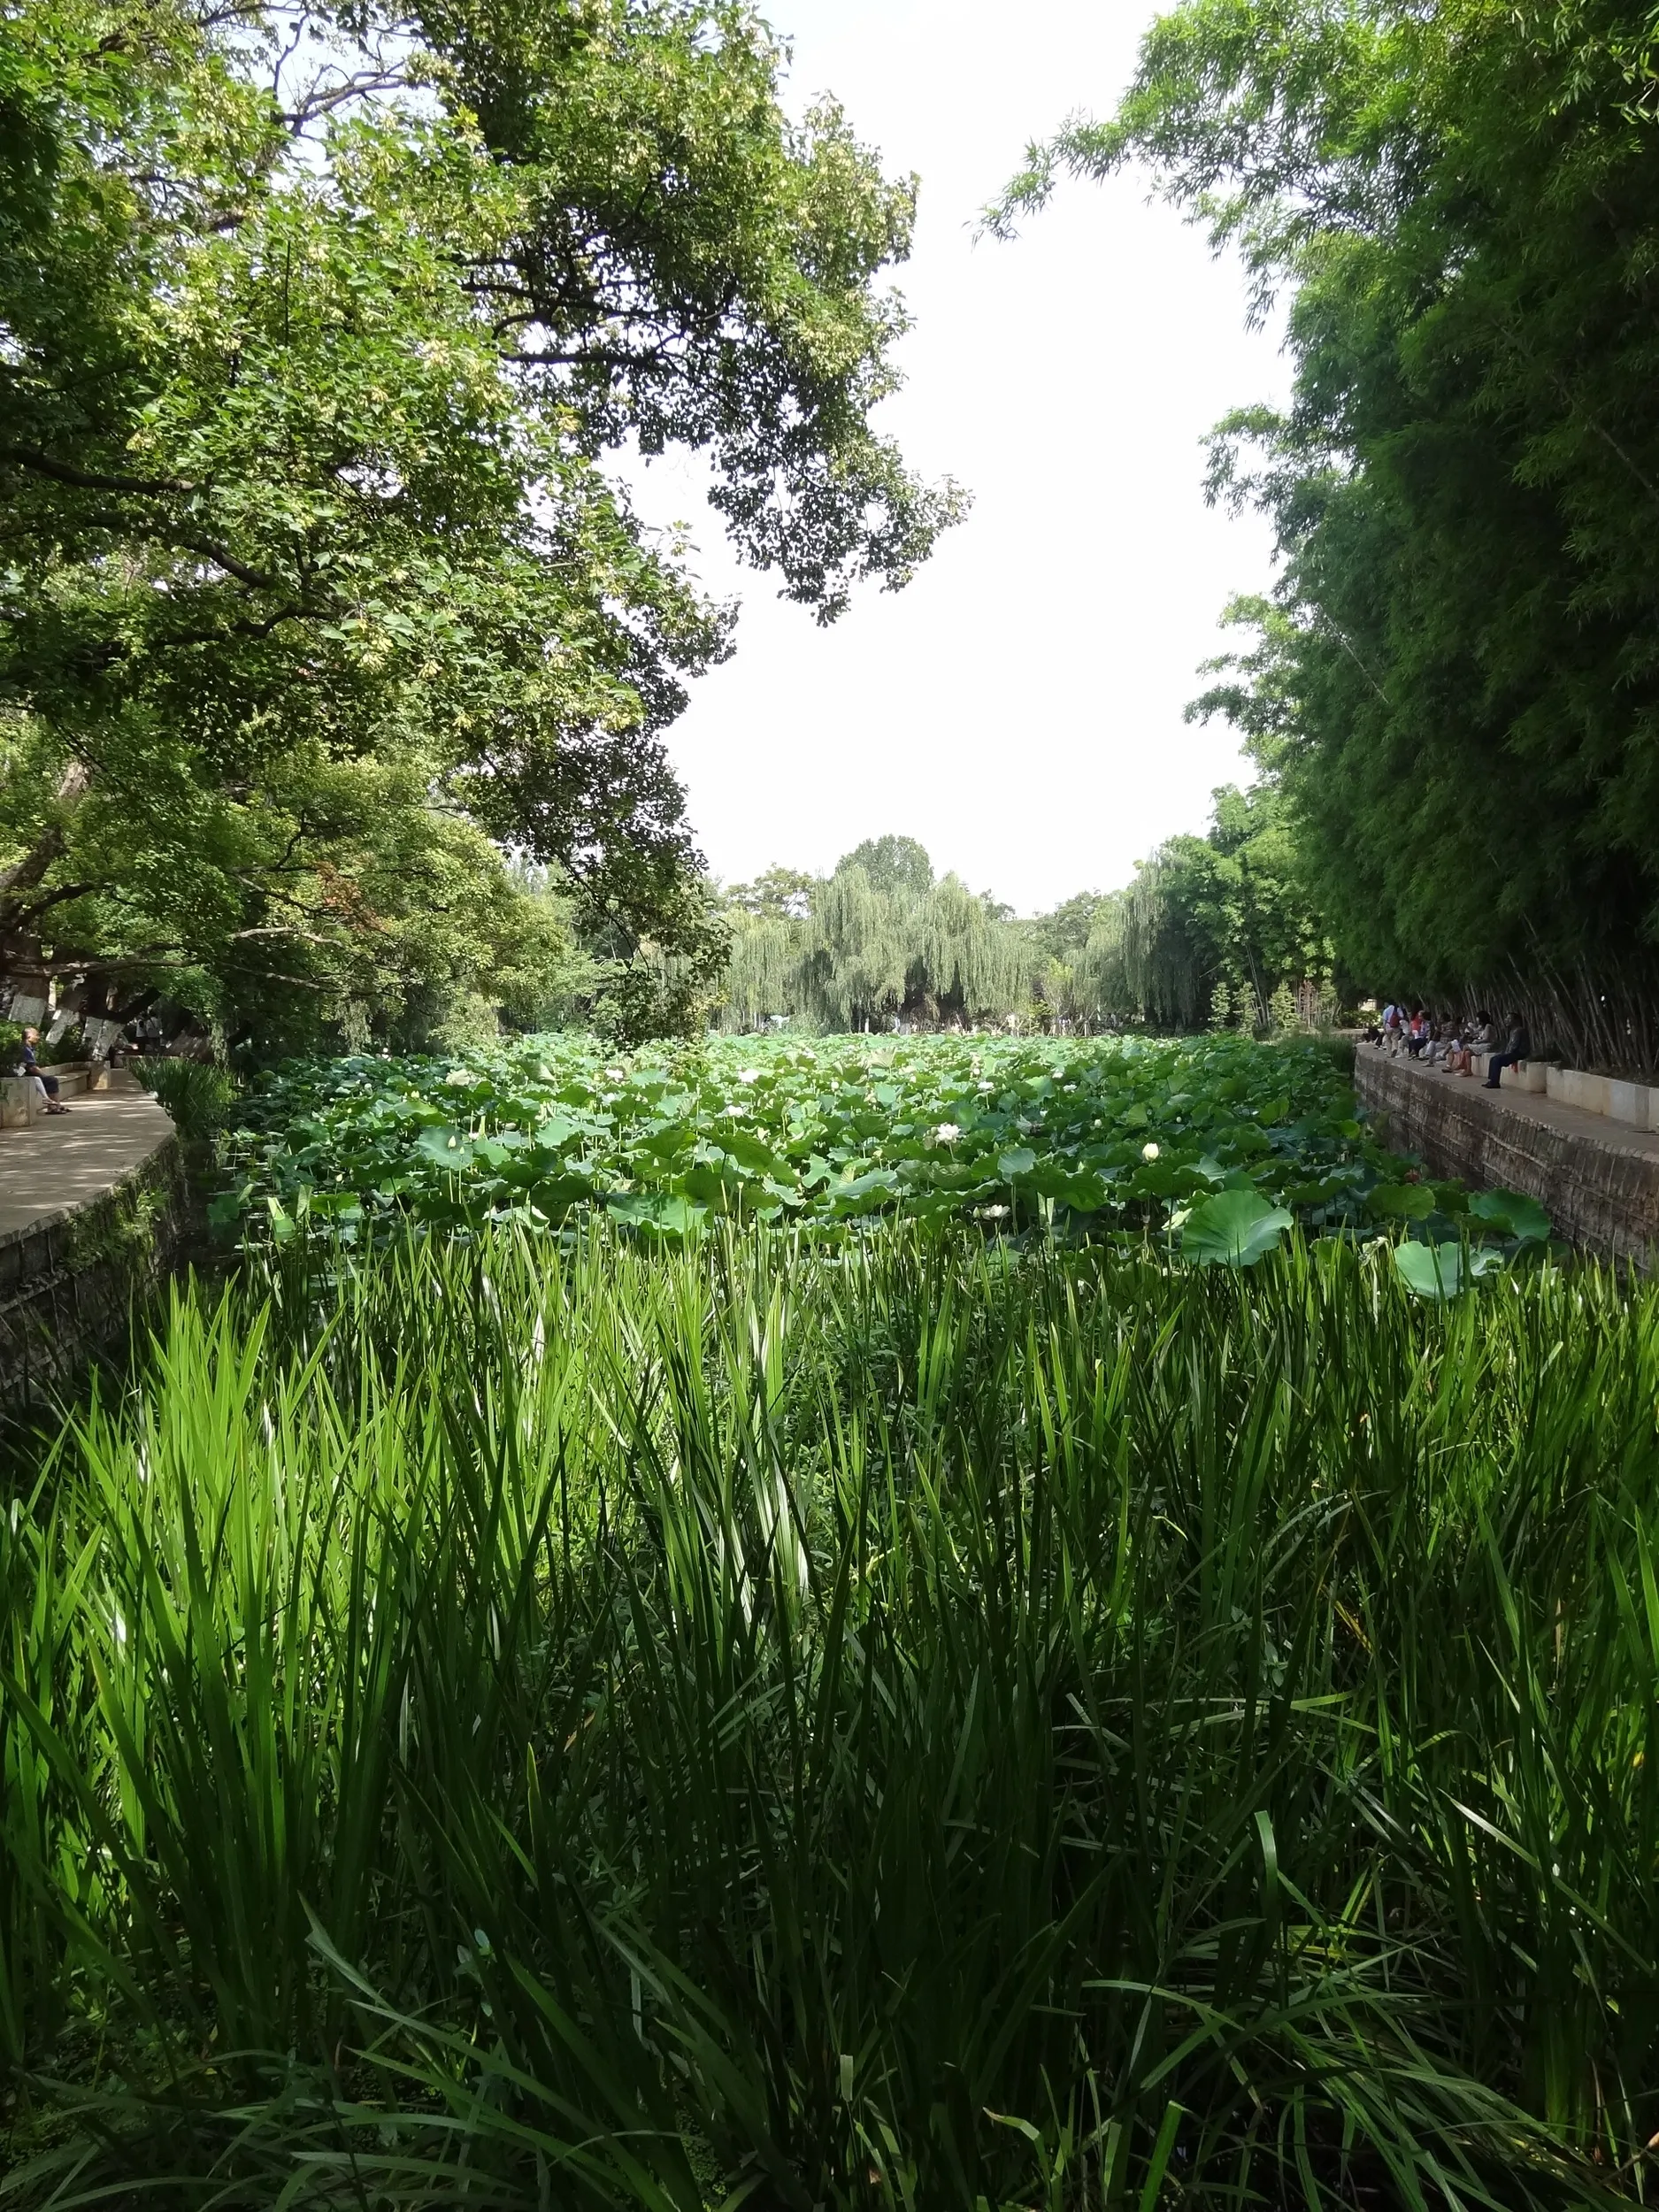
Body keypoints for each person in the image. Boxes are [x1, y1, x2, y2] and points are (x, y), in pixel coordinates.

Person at [17, 1025, 70, 1114]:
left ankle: (56, 1106)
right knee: (51, 1080)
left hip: (27, 1074)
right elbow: (32, 1068)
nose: (38, 1037)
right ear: (29, 1036)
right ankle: (53, 1107)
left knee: (51, 1080)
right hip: (25, 1075)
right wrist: (44, 1075)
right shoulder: (25, 1049)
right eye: (36, 1035)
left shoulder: (29, 1048)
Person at [1482, 1017, 1531, 1089]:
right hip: (1513, 1052)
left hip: (1519, 1053)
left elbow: (1514, 1045)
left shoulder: (1519, 1030)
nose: (1506, 1021)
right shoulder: (1512, 1031)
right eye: (1506, 1019)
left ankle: (1494, 1082)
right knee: (1493, 1059)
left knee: (1497, 1060)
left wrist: (1506, 1054)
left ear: (1516, 1021)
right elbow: (1510, 1045)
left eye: (1509, 1019)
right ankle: (1492, 1080)